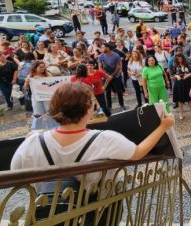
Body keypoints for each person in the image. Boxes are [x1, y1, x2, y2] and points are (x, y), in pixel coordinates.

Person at [10, 83, 175, 219]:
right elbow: (138, 152)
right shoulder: (106, 139)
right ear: (89, 109)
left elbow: (16, 175)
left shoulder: (32, 143)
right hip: (97, 214)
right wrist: (163, 127)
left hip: (49, 215)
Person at [24, 61, 58, 130]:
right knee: (37, 113)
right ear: (35, 68)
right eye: (40, 67)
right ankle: (36, 129)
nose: (43, 68)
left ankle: (53, 128)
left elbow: (53, 83)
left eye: (44, 67)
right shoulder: (30, 75)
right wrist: (28, 81)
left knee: (50, 112)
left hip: (47, 97)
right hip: (36, 97)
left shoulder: (47, 74)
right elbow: (25, 87)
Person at [172, 54, 191, 120]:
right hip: (179, 84)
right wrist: (177, 76)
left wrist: (187, 75)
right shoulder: (175, 66)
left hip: (187, 83)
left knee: (189, 99)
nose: (180, 60)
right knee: (180, 100)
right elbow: (173, 74)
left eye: (181, 59)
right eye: (178, 59)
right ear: (176, 59)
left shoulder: (187, 65)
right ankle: (181, 113)